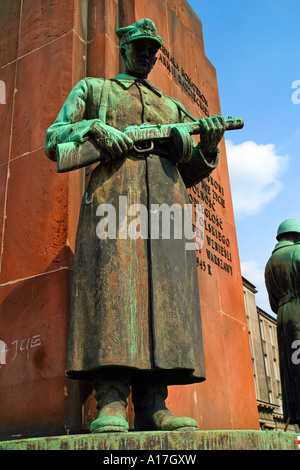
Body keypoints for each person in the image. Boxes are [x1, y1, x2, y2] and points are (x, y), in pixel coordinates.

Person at [45, 19, 226, 433]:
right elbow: (53, 139)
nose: (147, 54)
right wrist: (94, 127)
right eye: (140, 47)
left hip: (166, 208)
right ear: (123, 47)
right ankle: (110, 401)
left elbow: (192, 170)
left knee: (164, 301)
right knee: (114, 294)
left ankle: (154, 403)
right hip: (115, 198)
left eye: (153, 49)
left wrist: (209, 146)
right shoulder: (95, 90)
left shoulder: (173, 108)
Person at [265, 219, 300, 428]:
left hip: (283, 316)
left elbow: (272, 303)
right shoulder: (297, 252)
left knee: (292, 367)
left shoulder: (269, 265)